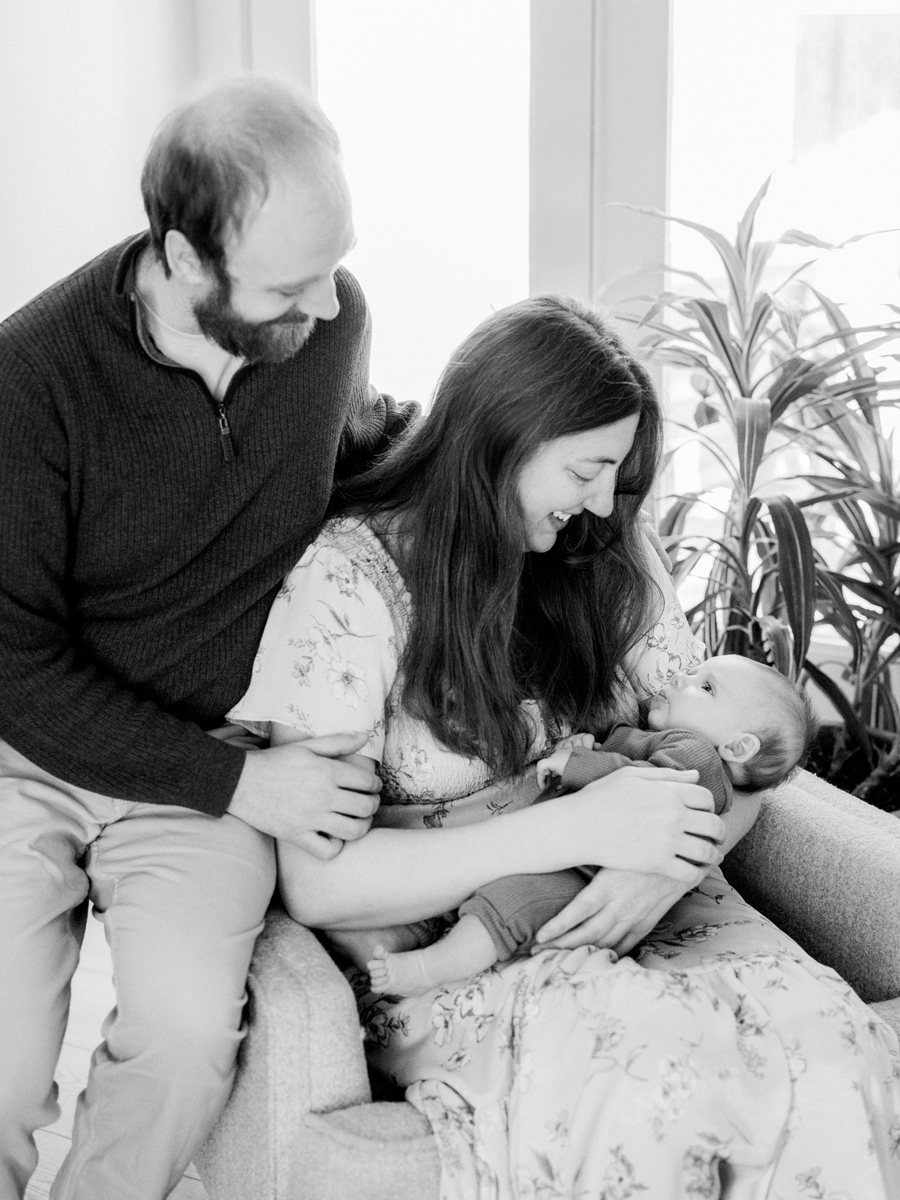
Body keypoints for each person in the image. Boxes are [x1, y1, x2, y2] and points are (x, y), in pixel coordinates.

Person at [229, 294, 900, 1197]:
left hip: (656, 905)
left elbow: (735, 759)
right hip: (470, 943)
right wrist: (583, 831)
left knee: (833, 1045)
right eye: (586, 467)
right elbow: (318, 882)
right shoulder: (352, 587)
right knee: (661, 1083)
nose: (600, 500)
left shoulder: (603, 555)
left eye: (615, 472)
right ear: (503, 438)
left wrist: (657, 866)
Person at [0, 78, 412, 1200]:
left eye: (337, 262)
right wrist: (241, 787)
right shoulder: (30, 378)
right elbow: (13, 667)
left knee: (185, 1045)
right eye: (289, 282)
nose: (329, 305)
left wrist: (525, 464)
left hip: (201, 769)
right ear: (183, 258)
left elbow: (361, 448)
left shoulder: (332, 325)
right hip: (36, 758)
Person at [338, 655, 816, 998]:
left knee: (507, 905)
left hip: (582, 873)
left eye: (705, 686)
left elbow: (646, 793)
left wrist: (578, 764)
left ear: (737, 748)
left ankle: (432, 968)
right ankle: (408, 941)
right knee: (485, 890)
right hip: (578, 847)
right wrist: (591, 744)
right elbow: (626, 763)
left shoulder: (696, 757)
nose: (683, 675)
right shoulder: (666, 738)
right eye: (697, 670)